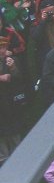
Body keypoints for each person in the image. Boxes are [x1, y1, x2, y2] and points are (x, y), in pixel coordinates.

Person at [0, 36, 24, 167]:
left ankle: (19, 160)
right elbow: (5, 78)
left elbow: (19, 79)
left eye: (3, 47)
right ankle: (3, 162)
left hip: (10, 104)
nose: (2, 50)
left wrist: (13, 69)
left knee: (14, 132)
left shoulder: (12, 60)